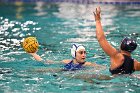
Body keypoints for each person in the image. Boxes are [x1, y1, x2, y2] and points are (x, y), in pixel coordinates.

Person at [93, 7, 140, 75]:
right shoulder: (136, 64)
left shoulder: (116, 56)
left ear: (122, 45)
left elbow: (101, 38)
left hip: (114, 82)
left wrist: (98, 21)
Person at [29, 43, 106, 71]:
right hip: (63, 73)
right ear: (74, 54)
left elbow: (103, 68)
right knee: (39, 70)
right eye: (81, 53)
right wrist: (33, 54)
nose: (84, 55)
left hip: (76, 78)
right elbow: (45, 62)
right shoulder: (67, 61)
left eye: (85, 52)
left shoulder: (87, 64)